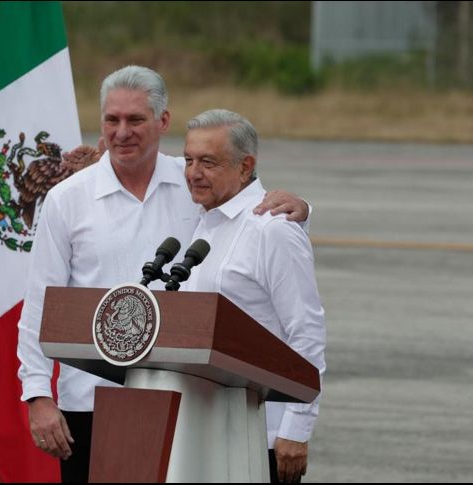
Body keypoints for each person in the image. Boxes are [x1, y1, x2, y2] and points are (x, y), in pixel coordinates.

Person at [16, 66, 310, 483]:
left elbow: (252, 222)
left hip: (184, 404)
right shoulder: (68, 199)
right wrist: (39, 395)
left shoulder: (193, 182)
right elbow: (40, 305)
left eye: (135, 119)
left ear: (163, 122)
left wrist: (302, 210)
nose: (122, 132)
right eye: (112, 120)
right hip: (89, 402)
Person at [181, 109, 326, 483]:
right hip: (202, 429)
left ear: (245, 166)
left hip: (262, 433)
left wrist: (296, 428)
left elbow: (306, 331)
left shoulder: (272, 229)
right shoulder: (203, 222)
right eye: (188, 160)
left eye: (208, 162)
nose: (193, 173)